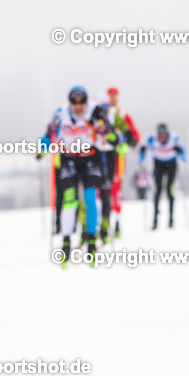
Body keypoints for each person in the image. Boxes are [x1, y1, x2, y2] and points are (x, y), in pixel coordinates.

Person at [38, 85, 109, 265]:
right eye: (74, 103)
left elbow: (109, 132)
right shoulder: (60, 113)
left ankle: (92, 240)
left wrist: (105, 130)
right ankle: (66, 241)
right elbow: (49, 134)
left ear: (86, 102)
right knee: (70, 200)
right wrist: (42, 149)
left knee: (90, 198)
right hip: (69, 158)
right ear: (69, 103)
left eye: (82, 103)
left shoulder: (95, 111)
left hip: (91, 158)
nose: (78, 107)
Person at [96, 87, 139, 242]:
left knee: (115, 189)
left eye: (115, 96)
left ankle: (117, 223)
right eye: (110, 96)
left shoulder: (121, 114)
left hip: (118, 156)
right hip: (100, 154)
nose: (112, 99)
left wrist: (126, 144)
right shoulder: (94, 113)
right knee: (99, 191)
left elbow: (133, 134)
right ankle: (101, 224)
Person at [139, 123, 185, 229]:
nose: (162, 137)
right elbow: (142, 155)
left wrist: (180, 151)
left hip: (171, 165)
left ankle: (171, 219)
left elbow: (184, 157)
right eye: (160, 135)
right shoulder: (152, 139)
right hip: (158, 165)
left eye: (164, 135)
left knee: (170, 190)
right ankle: (155, 220)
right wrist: (142, 152)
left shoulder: (174, 138)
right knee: (158, 190)